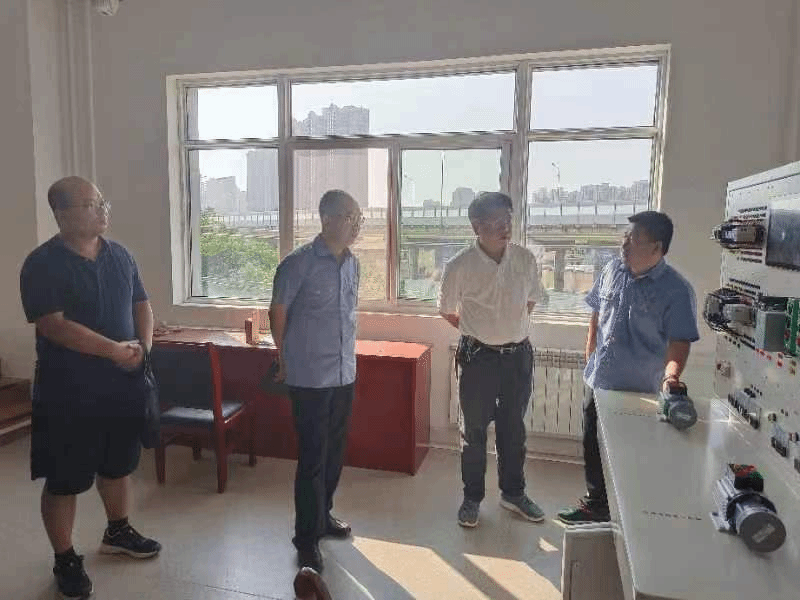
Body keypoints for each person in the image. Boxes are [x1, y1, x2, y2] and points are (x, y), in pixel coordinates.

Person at [19, 176, 161, 600]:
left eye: (102, 201)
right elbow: (54, 326)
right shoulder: (42, 264)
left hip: (121, 385)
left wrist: (142, 349)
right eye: (90, 204)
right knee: (65, 477)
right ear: (62, 214)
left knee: (119, 464)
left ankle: (117, 531)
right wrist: (114, 350)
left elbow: (142, 304)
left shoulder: (120, 255)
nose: (102, 209)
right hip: (68, 391)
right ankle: (65, 558)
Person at [557, 211, 700, 524]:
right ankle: (596, 505)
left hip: (638, 391)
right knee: (593, 446)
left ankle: (632, 515)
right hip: (599, 380)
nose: (624, 244)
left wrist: (672, 376)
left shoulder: (676, 290)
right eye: (625, 236)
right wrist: (589, 352)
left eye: (633, 239)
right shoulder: (612, 269)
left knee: (631, 456)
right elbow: (597, 313)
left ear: (656, 247)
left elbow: (679, 341)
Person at [438, 191, 545, 528]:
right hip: (477, 358)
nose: (505, 227)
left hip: (517, 357)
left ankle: (513, 494)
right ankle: (472, 499)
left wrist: (507, 329)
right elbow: (446, 310)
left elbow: (530, 302)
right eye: (497, 221)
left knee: (513, 429)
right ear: (476, 226)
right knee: (474, 432)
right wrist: (479, 331)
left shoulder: (525, 259)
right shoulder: (459, 265)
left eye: (508, 219)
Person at [270, 190, 362, 572]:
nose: (357, 225)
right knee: (312, 457)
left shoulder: (353, 263)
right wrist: (282, 356)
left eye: (359, 218)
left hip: (343, 372)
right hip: (309, 376)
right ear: (327, 219)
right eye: (351, 217)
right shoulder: (298, 263)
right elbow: (278, 311)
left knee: (334, 452)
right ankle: (306, 539)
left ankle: (323, 517)